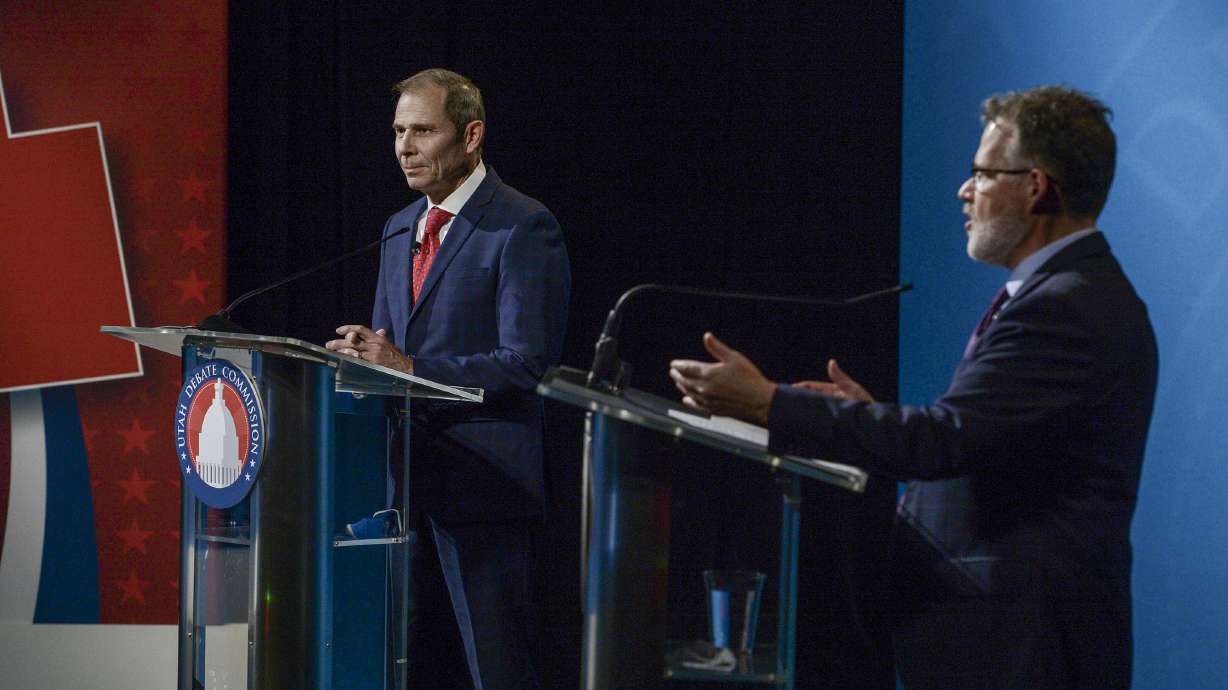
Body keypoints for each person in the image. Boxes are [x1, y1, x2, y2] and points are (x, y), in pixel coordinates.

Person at [669, 86, 1156, 689]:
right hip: (1002, 641)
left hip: (1024, 648)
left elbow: (943, 439)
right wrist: (867, 416)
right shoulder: (1063, 293)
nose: (964, 190)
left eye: (981, 173)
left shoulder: (1068, 304)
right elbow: (983, 444)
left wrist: (768, 403)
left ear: (1036, 187)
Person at [326, 68, 570, 689]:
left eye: (423, 131)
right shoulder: (399, 226)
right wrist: (365, 356)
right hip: (401, 486)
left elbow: (526, 362)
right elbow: (389, 351)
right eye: (399, 131)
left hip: (483, 485)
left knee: (497, 668)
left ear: (471, 136)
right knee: (404, 663)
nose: (405, 147)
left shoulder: (521, 225)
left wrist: (410, 368)